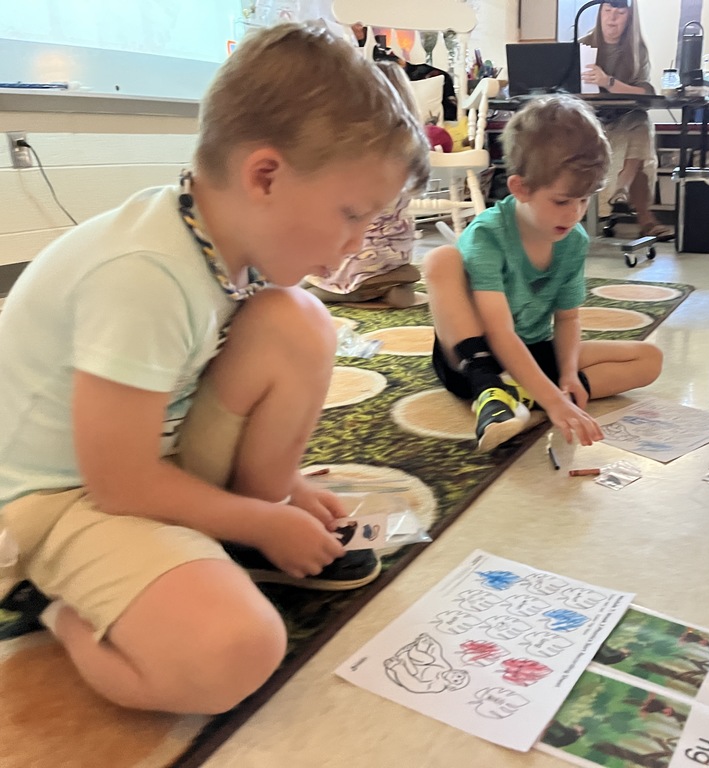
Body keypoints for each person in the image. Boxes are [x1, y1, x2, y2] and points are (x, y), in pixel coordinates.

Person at [0, 23, 429, 715]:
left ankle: (229, 527)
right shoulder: (143, 272)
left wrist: (276, 489)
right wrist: (261, 520)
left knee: (300, 320)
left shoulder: (217, 237)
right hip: (61, 499)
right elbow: (115, 482)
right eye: (351, 215)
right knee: (235, 650)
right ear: (265, 175)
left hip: (145, 465)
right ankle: (61, 609)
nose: (357, 245)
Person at [422, 94, 663, 452]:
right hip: (474, 356)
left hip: (533, 349)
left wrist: (566, 375)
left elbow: (567, 319)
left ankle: (520, 394)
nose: (575, 214)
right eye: (563, 201)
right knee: (440, 260)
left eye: (585, 200)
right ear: (521, 188)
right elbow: (500, 332)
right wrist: (552, 399)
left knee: (649, 360)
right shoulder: (488, 234)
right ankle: (490, 389)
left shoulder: (573, 240)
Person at [304, 61, 422, 308]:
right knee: (305, 279)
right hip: (398, 250)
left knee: (304, 291)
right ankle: (389, 283)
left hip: (363, 254)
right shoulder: (408, 151)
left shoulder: (362, 158)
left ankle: (351, 291)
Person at [580, 0, 672, 241]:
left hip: (625, 118)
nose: (612, 19)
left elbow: (645, 92)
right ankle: (631, 205)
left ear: (630, 17)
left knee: (640, 124)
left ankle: (624, 193)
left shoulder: (636, 49)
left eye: (619, 13)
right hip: (590, 120)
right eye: (607, 11)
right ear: (599, 13)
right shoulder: (583, 45)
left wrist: (607, 82)